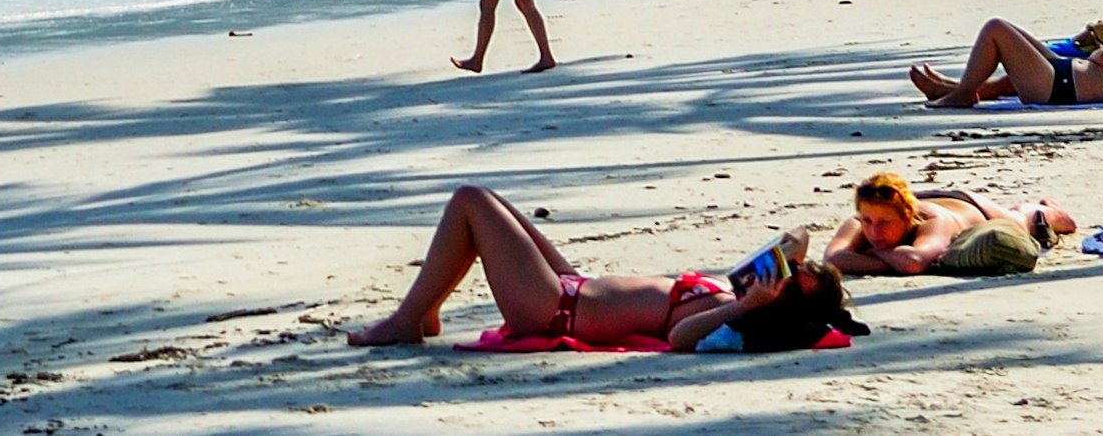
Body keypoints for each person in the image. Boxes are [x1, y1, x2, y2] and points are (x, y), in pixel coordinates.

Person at [344, 185, 837, 349]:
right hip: (571, 286)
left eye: (791, 283)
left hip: (555, 309)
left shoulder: (733, 310)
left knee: (469, 202)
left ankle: (408, 322)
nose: (784, 275)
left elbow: (681, 339)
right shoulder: (737, 287)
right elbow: (797, 235)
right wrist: (786, 259)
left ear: (781, 305)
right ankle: (425, 308)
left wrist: (747, 305)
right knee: (491, 202)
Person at [820, 172, 1079, 277]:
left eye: (885, 223)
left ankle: (1048, 208)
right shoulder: (860, 219)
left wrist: (868, 253)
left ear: (907, 217)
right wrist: (890, 257)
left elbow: (914, 262)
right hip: (925, 197)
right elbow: (832, 259)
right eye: (868, 221)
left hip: (969, 207)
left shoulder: (932, 219)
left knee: (1025, 219)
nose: (874, 231)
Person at [907, 16, 1103, 109]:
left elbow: (1099, 55)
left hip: (1058, 86)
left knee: (996, 29)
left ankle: (963, 93)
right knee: (1014, 33)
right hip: (1061, 75)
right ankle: (950, 88)